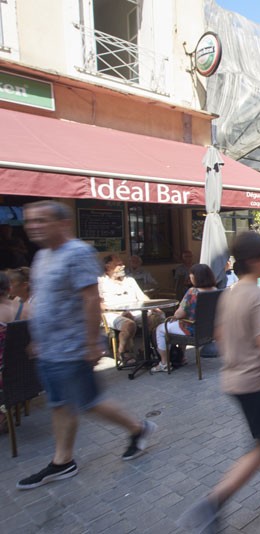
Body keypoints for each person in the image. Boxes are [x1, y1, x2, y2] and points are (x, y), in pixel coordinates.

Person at [16, 201, 156, 491]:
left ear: (62, 224)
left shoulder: (77, 253)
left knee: (89, 402)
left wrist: (93, 342)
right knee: (59, 404)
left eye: (41, 220)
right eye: (30, 221)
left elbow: (92, 299)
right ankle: (62, 460)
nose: (33, 227)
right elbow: (43, 300)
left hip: (72, 345)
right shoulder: (42, 256)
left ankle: (138, 428)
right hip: (50, 347)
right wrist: (37, 338)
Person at [179, 232, 260, 531]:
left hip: (233, 379)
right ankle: (215, 501)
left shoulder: (229, 292)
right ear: (255, 261)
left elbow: (219, 334)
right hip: (256, 382)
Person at [151, 263, 218, 373]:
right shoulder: (215, 290)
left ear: (195, 277)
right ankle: (181, 358)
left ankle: (164, 363)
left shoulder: (193, 292)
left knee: (160, 329)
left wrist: (174, 316)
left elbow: (179, 314)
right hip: (208, 331)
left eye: (191, 275)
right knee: (180, 325)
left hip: (191, 329)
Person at [98, 255, 164, 364]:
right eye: (119, 264)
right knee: (129, 324)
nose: (123, 266)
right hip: (112, 313)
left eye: (122, 264)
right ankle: (123, 352)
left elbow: (142, 297)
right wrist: (119, 312)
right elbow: (99, 304)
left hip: (135, 311)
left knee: (158, 317)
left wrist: (154, 307)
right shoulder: (101, 281)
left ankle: (144, 349)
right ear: (108, 266)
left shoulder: (130, 280)